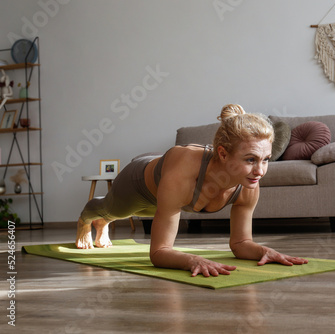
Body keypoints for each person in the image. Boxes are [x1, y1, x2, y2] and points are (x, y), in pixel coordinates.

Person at [76, 104, 308, 277]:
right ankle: (88, 220)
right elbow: (158, 252)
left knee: (152, 212)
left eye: (265, 160)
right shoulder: (183, 172)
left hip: (168, 196)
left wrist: (263, 251)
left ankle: (102, 223)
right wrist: (192, 260)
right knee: (111, 210)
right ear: (223, 154)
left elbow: (240, 244)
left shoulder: (248, 185)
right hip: (139, 184)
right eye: (250, 159)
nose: (260, 171)